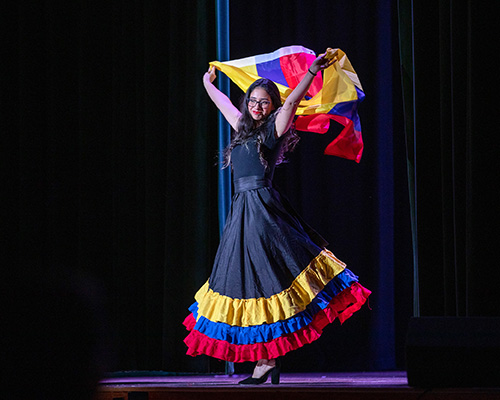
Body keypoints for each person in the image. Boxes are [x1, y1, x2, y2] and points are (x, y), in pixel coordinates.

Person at [183, 50, 371, 384]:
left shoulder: (273, 131)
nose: (257, 107)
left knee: (264, 281)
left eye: (264, 103)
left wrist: (310, 73)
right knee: (247, 284)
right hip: (241, 212)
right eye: (253, 101)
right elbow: (224, 103)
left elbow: (291, 105)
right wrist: (207, 84)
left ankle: (267, 361)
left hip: (262, 211)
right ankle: (267, 359)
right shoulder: (242, 127)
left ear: (272, 106)